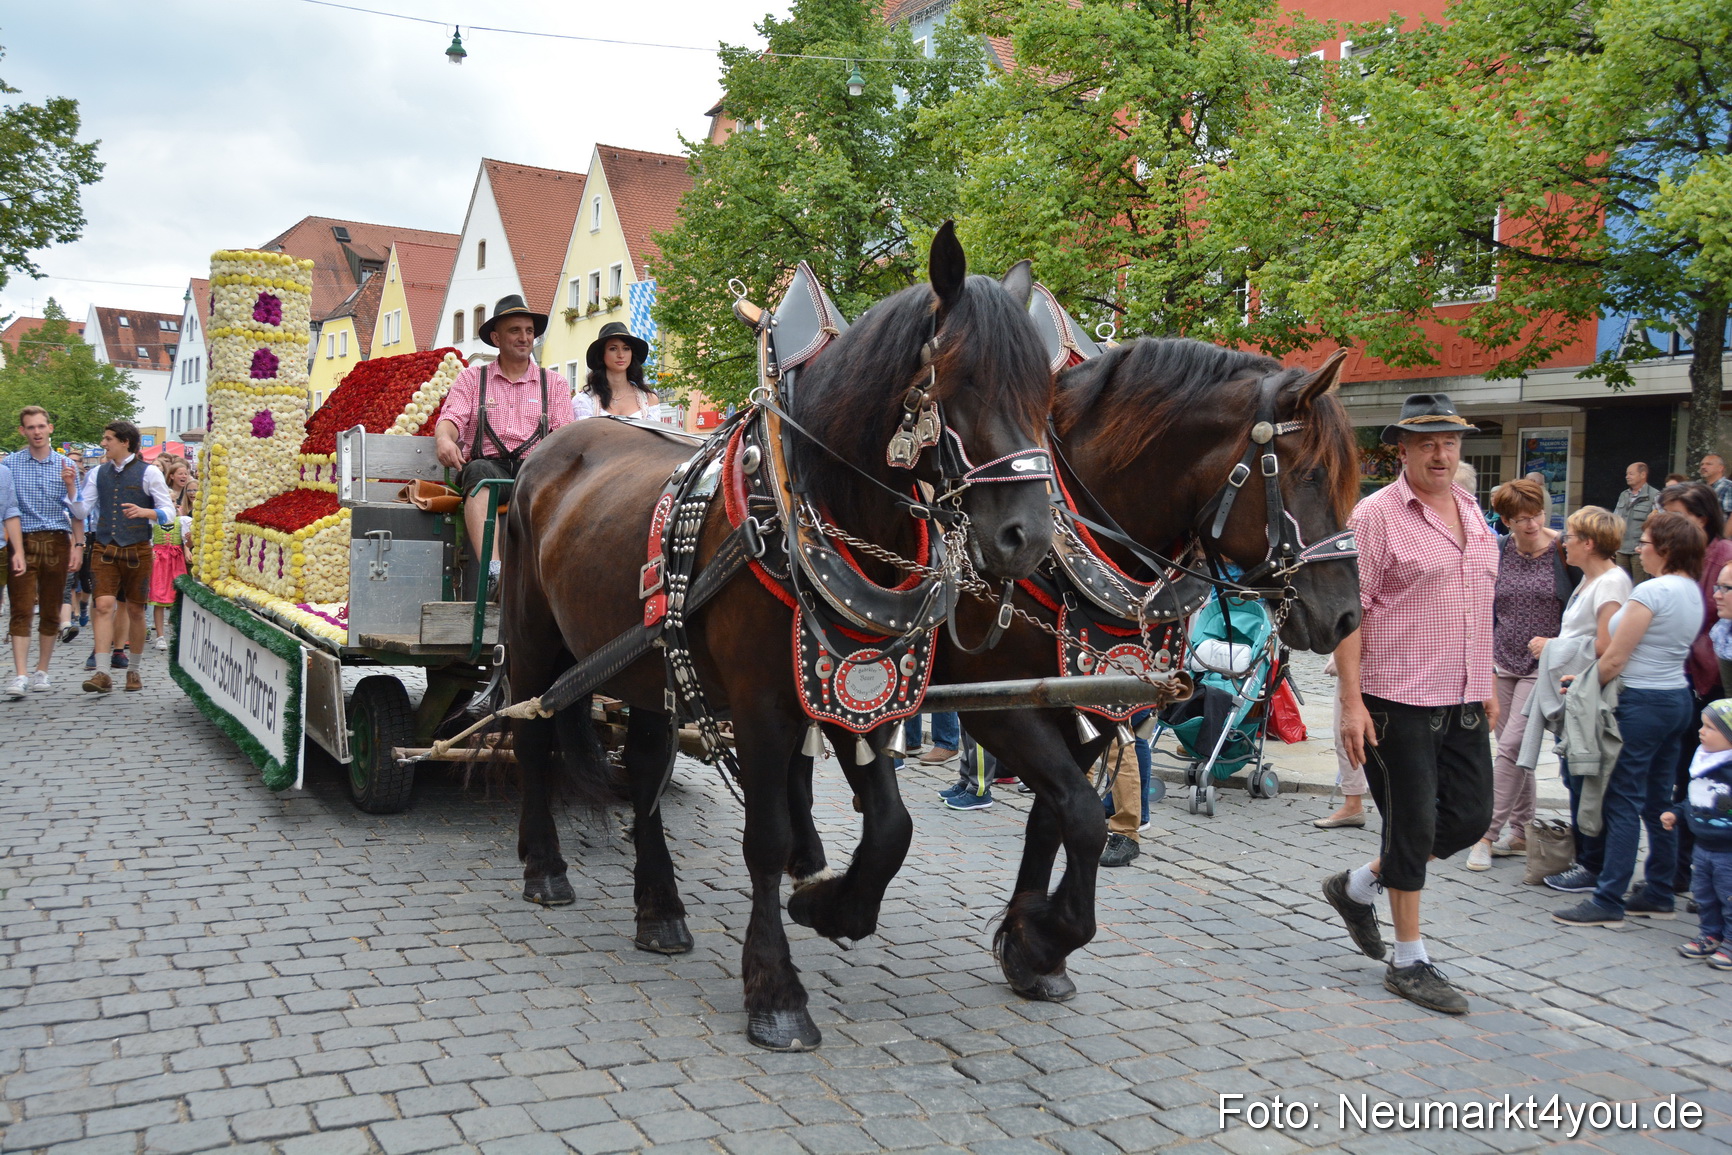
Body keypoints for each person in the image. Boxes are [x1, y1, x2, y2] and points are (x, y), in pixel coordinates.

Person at [1322, 394, 1497, 1015]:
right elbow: (1349, 614)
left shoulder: (1475, 512)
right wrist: (1350, 702)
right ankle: (1409, 959)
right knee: (1412, 824)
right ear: (1402, 449)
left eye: (1449, 441)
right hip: (1394, 698)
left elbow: (1479, 605)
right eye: (1426, 442)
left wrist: (1488, 684)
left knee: (1471, 818)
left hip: (1463, 694)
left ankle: (1358, 884)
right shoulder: (1376, 515)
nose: (1440, 452)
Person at [1553, 511, 1702, 927]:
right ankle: (1658, 889)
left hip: (1640, 702)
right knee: (1658, 799)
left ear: (1666, 549)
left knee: (1621, 798)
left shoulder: (1651, 593)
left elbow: (1615, 657)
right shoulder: (1692, 590)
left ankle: (1609, 899)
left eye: (1647, 542)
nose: (1640, 548)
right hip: (1675, 699)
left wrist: (1581, 683)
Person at [1466, 479, 1573, 871]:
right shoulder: (1499, 550)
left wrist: (1561, 645)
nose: (1531, 524)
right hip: (1501, 662)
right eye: (1521, 518)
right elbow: (1484, 608)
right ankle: (1522, 830)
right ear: (1506, 520)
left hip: (1544, 667)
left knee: (1511, 747)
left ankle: (1485, 835)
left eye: (1537, 514)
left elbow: (1578, 610)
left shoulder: (1563, 550)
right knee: (1516, 751)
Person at [434, 295, 579, 582]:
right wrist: (444, 440)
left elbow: (565, 438)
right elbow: (451, 420)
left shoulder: (556, 383)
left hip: (535, 470)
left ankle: (552, 574)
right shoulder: (473, 378)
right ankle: (493, 572)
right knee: (477, 473)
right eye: (515, 330)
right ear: (496, 337)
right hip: (490, 469)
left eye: (529, 331)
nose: (524, 337)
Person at [1526, 507, 1632, 894]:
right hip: (1576, 693)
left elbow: (1606, 645)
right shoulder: (1593, 580)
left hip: (1590, 696)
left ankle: (1592, 864)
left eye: (1569, 537)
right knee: (1574, 775)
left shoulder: (1610, 584)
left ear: (1589, 543)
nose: (1562, 542)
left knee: (1585, 777)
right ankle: (1586, 858)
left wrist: (1551, 646)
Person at [77, 421, 177, 693]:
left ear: (125, 442)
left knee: (134, 610)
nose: (103, 443)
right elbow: (81, 510)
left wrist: (146, 513)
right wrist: (69, 491)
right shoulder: (98, 473)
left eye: (108, 438)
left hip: (138, 549)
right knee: (103, 605)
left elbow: (169, 513)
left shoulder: (149, 474)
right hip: (104, 546)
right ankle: (102, 672)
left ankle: (133, 669)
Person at [3, 407, 84, 698]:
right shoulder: (11, 464)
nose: (36, 432)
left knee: (51, 608)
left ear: (50, 428)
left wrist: (78, 544)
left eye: (41, 426)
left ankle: (42, 670)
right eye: (30, 427)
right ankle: (21, 673)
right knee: (22, 608)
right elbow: (7, 509)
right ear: (23, 431)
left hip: (56, 541)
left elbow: (78, 511)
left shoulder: (65, 465)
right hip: (22, 540)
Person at [1664, 699, 1732, 966]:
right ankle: (1711, 934)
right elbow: (1694, 798)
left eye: (1710, 728)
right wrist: (1677, 814)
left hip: (1728, 852)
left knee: (1729, 897)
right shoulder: (1703, 762)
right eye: (1702, 726)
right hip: (1702, 848)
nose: (1701, 731)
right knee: (1704, 896)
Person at [1315, 650, 1370, 828]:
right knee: (1346, 737)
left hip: (1399, 665)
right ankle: (1353, 804)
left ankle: (1405, 809)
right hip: (1357, 662)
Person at [583, 322, 672, 424]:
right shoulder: (586, 400)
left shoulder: (649, 400)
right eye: (613, 349)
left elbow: (654, 439)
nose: (621, 355)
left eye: (626, 349)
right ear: (602, 355)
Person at [148, 456, 193, 649]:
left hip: (175, 560)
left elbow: (187, 540)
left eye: (174, 504)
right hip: (159, 560)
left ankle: (176, 631)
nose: (172, 508)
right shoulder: (153, 521)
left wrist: (188, 543)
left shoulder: (181, 521)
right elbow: (149, 539)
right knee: (159, 597)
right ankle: (159, 635)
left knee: (176, 595)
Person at [1614, 462, 1659, 583]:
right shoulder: (1623, 495)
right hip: (1621, 550)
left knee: (1639, 585)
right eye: (1626, 474)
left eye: (1631, 474)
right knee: (1620, 583)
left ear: (1643, 474)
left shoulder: (1655, 495)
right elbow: (1615, 520)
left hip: (1639, 551)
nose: (1627, 476)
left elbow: (1659, 523)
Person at [1702, 454, 1732, 519]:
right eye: (1702, 464)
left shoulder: (1728, 487)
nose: (1703, 467)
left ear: (1720, 468)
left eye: (1708, 464)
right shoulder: (1702, 489)